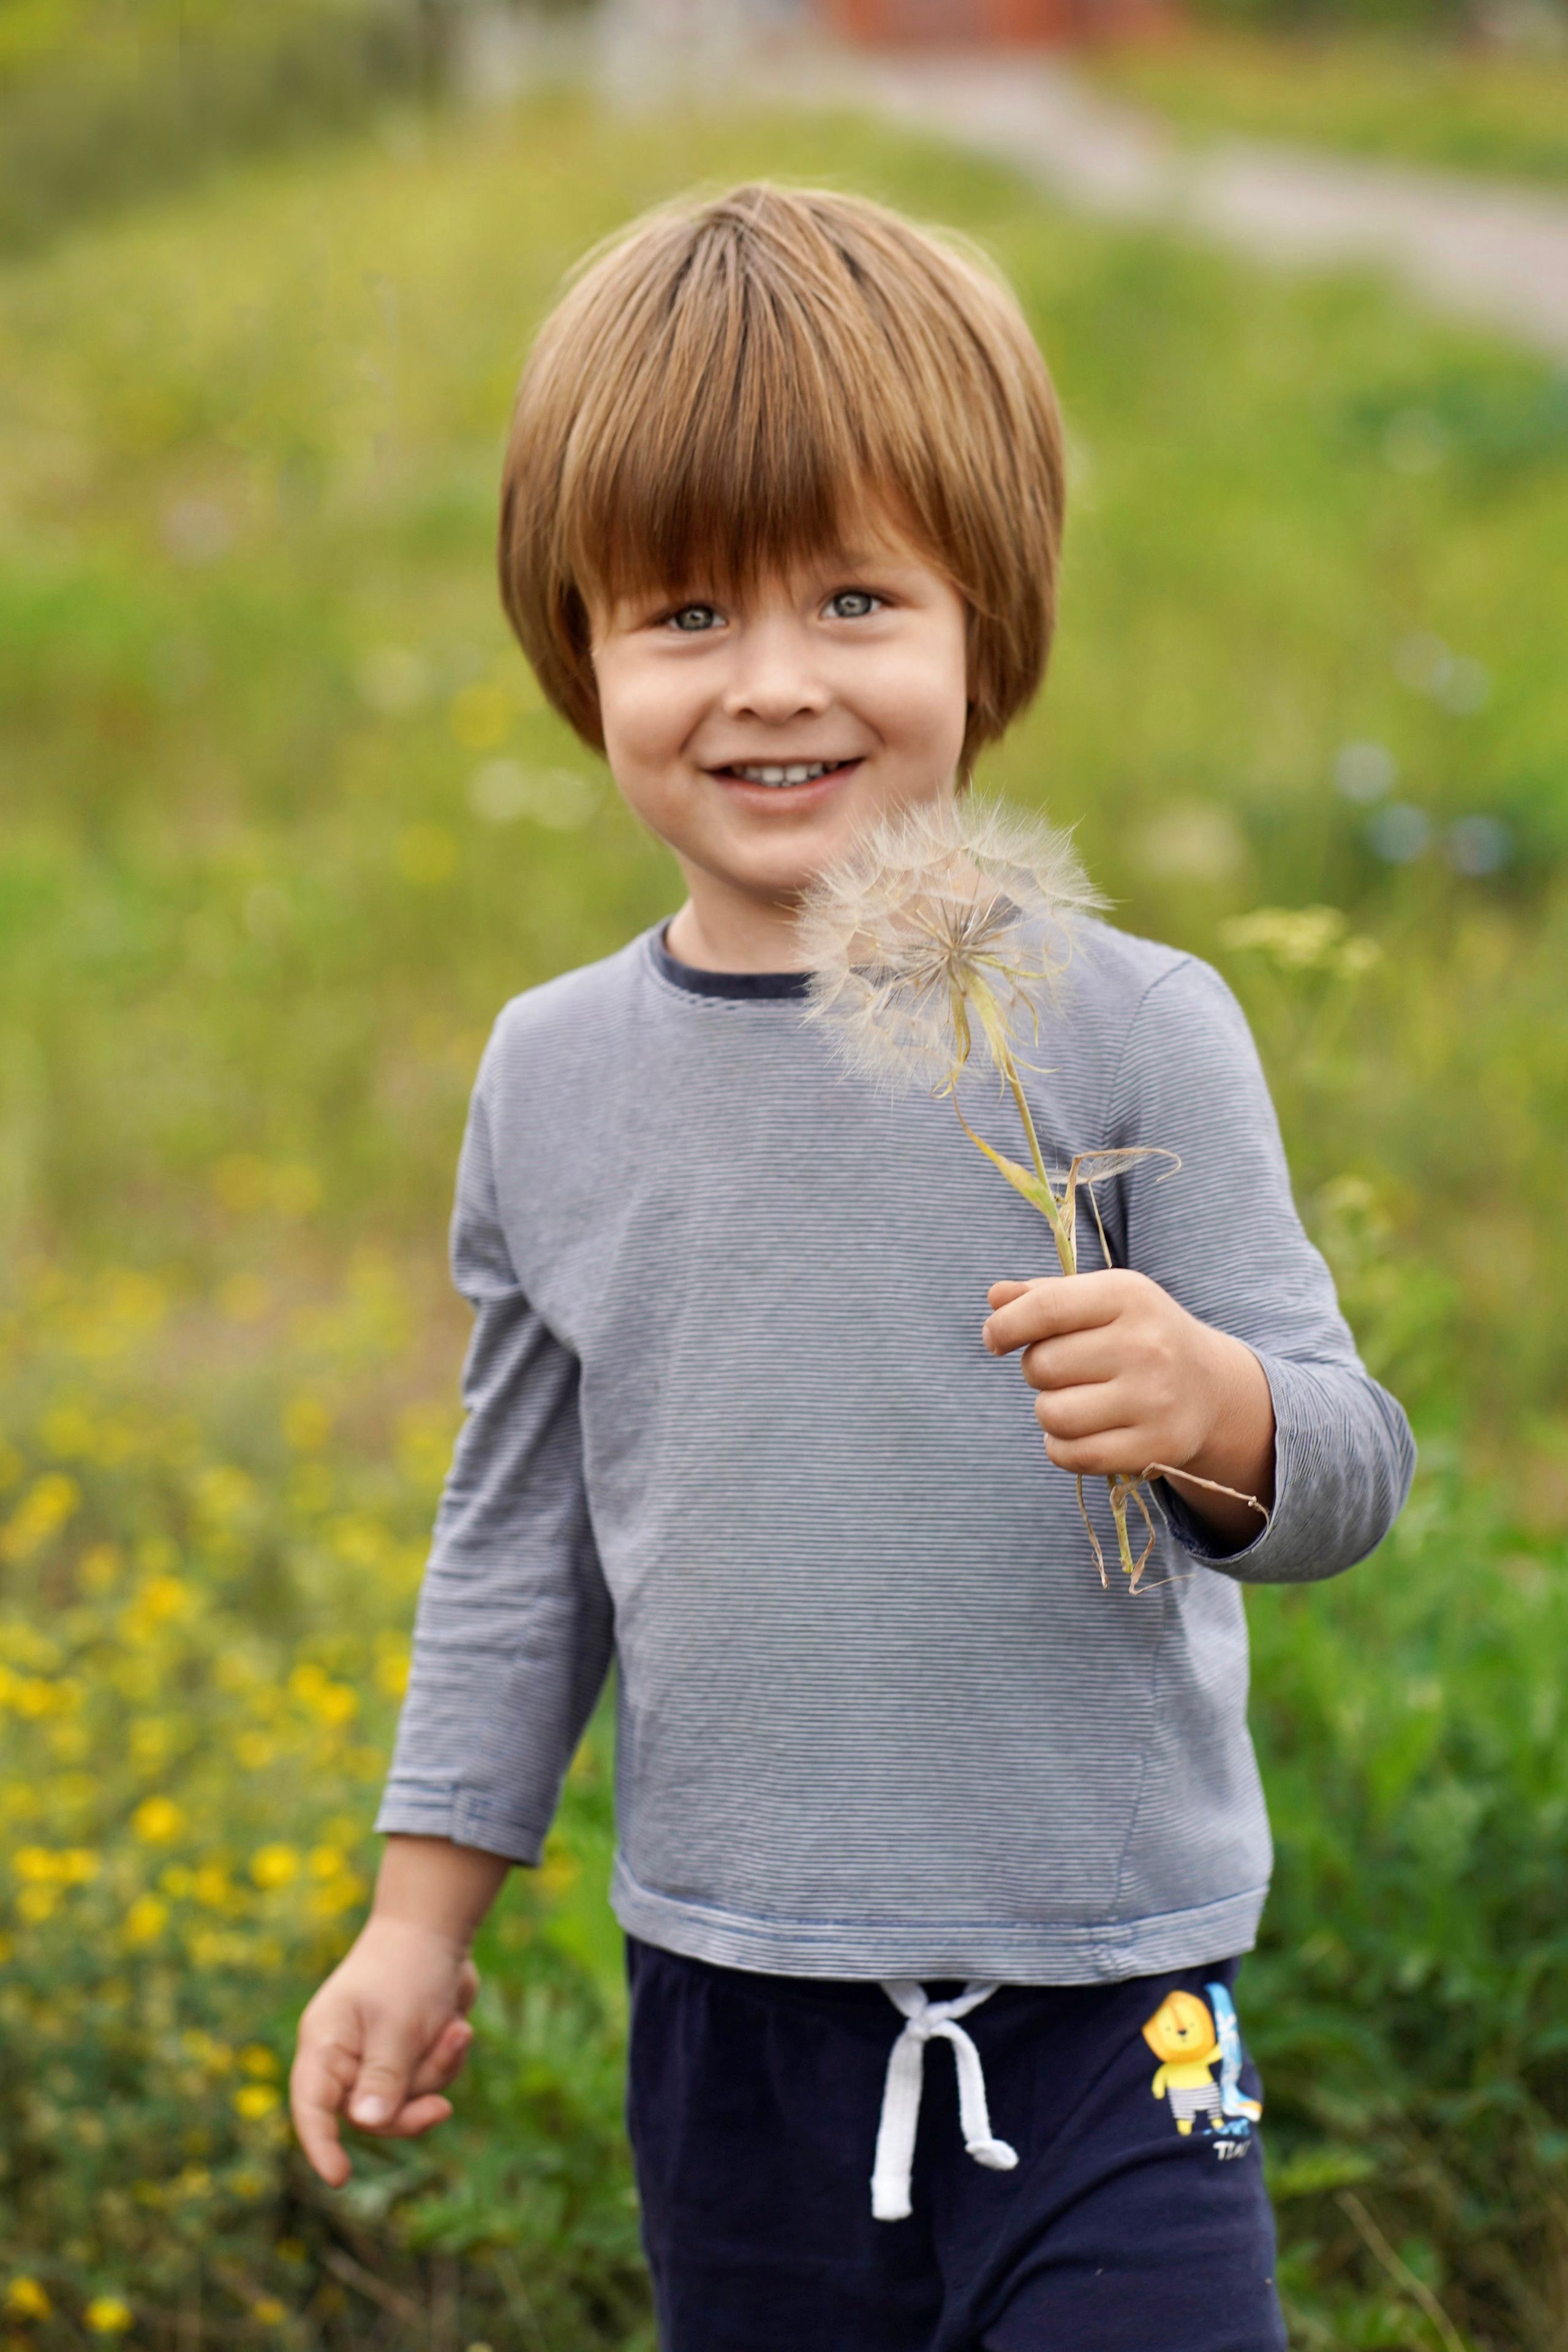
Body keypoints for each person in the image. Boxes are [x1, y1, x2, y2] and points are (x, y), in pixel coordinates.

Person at [290, 183, 1414, 2350]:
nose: (774, 682)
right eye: (687, 610)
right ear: (578, 648)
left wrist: (1214, 1410)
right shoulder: (553, 1077)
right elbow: (517, 1549)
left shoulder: (1129, 1030)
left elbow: (1351, 1468)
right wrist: (418, 1924)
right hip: (732, 2012)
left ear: (990, 616)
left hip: (1113, 2001)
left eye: (856, 595)